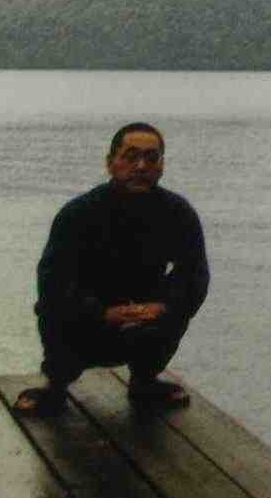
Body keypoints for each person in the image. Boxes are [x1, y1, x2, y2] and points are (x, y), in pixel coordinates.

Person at [12, 122, 210, 416]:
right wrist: (102, 313)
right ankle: (54, 386)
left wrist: (162, 306)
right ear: (110, 162)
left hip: (144, 319)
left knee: (176, 310)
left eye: (151, 158)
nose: (141, 166)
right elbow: (52, 283)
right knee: (52, 308)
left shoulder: (178, 213)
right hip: (86, 323)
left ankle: (145, 381)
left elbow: (194, 275)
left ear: (161, 166)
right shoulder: (77, 214)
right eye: (130, 157)